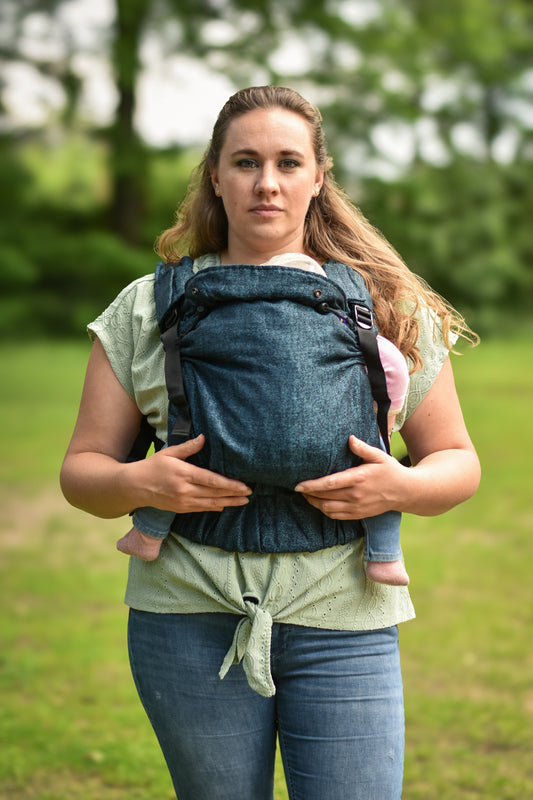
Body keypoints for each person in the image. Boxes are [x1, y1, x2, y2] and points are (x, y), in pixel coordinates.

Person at [60, 86, 480, 800]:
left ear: (317, 177)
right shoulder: (146, 305)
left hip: (345, 610)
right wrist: (141, 484)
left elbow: (457, 461)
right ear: (215, 177)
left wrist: (401, 488)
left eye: (287, 162)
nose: (266, 183)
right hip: (187, 612)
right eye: (245, 162)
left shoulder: (384, 304)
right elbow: (82, 472)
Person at [116, 249, 411, 586]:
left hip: (224, 452)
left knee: (183, 461)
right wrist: (385, 418)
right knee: (378, 479)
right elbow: (392, 366)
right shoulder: (345, 320)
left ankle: (148, 535)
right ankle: (386, 557)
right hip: (335, 457)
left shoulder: (228, 320)